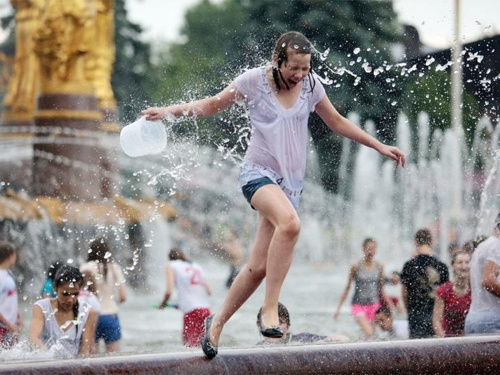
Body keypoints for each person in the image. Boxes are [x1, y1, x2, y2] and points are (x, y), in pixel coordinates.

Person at [143, 31, 406, 359]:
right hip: (257, 175)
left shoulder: (310, 86)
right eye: (293, 68)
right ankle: (270, 309)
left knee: (257, 267)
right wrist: (168, 112)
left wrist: (379, 146)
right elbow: (212, 105)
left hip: (288, 187)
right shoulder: (254, 82)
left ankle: (217, 323)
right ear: (276, 61)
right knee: (291, 225)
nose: (299, 75)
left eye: (305, 68)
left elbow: (337, 121)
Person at [28, 265, 98, 358]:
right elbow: (33, 337)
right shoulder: (41, 308)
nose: (70, 299)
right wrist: (48, 357)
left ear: (80, 290)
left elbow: (84, 350)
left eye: (75, 294)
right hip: (46, 363)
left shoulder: (88, 312)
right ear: (55, 288)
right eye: (65, 294)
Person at [334, 238, 395, 339]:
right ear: (363, 249)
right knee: (369, 332)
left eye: (374, 248)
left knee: (373, 335)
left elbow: (381, 288)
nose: (372, 251)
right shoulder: (355, 266)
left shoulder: (380, 266)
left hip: (374, 305)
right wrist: (338, 309)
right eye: (369, 248)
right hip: (358, 305)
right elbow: (347, 287)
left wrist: (390, 304)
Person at [80, 238, 127, 353]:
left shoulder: (85, 267)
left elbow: (80, 294)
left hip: (91, 316)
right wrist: (114, 303)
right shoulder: (114, 267)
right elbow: (123, 296)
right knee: (114, 358)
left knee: (92, 358)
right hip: (110, 315)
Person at [401, 229, 449, 339]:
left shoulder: (409, 265)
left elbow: (404, 293)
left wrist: (409, 309)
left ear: (415, 242)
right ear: (431, 242)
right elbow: (446, 293)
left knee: (417, 352)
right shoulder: (441, 266)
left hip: (416, 315)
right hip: (436, 317)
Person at [158, 248, 211, 347]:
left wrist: (163, 304)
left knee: (190, 347)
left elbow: (168, 291)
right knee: (205, 347)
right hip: (206, 311)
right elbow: (209, 291)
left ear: (170, 258)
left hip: (191, 312)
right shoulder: (196, 266)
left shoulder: (171, 265)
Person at [465, 213, 500, 334]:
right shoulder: (497, 245)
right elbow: (488, 281)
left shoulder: (481, 247)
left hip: (474, 318)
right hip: (493, 319)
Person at [256, 302, 349, 345]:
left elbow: (343, 339)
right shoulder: (258, 347)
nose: (274, 326)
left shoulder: (302, 340)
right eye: (268, 322)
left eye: (279, 322)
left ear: (288, 327)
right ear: (259, 327)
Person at [432, 251, 471, 337]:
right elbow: (436, 321)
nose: (464, 266)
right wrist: (445, 341)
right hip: (449, 339)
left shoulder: (474, 290)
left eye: (467, 262)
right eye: (460, 262)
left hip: (470, 339)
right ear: (453, 266)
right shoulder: (443, 290)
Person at [0, 242, 22, 349]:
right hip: (3, 327)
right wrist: (8, 325)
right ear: (10, 256)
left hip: (10, 326)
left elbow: (11, 298)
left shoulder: (8, 274)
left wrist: (18, 316)